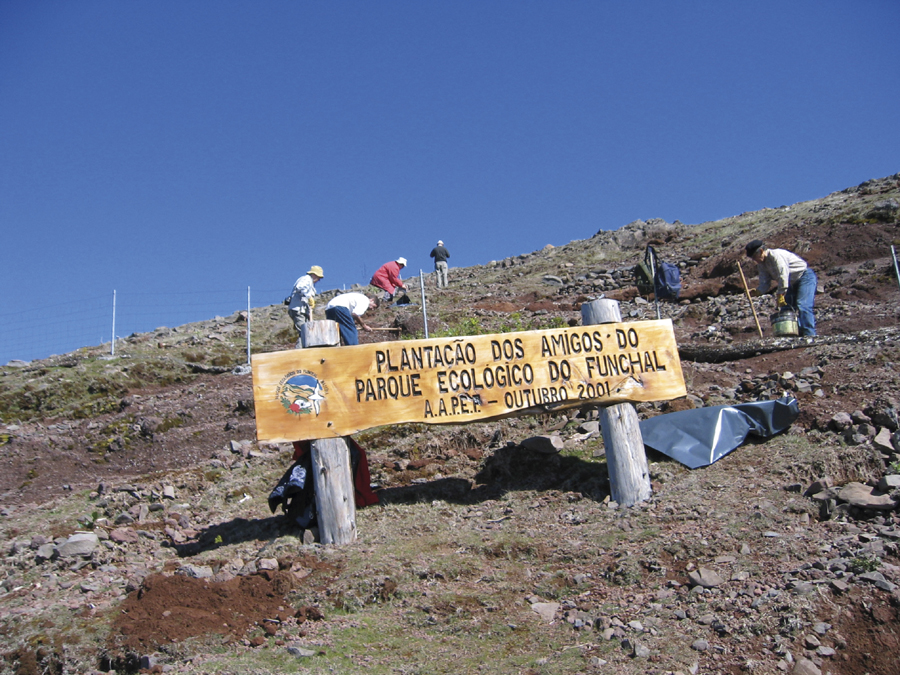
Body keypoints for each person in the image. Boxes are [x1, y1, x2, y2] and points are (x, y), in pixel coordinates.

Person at [745, 239, 817, 336]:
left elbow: (783, 276)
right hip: (790, 283)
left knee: (803, 305)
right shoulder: (762, 264)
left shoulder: (776, 256)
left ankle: (810, 335)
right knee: (786, 310)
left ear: (761, 251)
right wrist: (758, 291)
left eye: (754, 257)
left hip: (804, 277)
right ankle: (792, 335)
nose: (754, 260)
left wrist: (780, 293)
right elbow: (765, 282)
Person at [287, 266, 324, 346]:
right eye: (318, 277)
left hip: (303, 310)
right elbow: (300, 288)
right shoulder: (306, 279)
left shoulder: (311, 284)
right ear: (314, 274)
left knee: (306, 331)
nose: (319, 280)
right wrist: (309, 297)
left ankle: (305, 348)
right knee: (304, 332)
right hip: (298, 309)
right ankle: (300, 352)